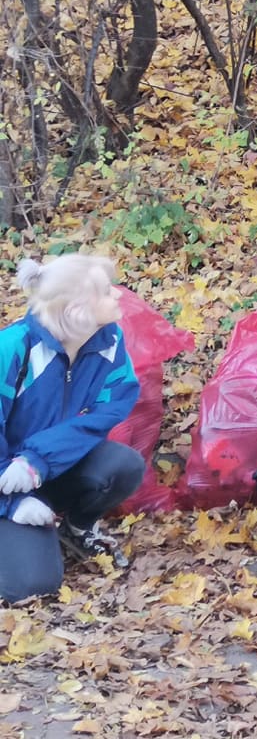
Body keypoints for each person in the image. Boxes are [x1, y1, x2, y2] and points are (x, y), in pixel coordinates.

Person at [0, 255, 144, 603]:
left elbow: (111, 407)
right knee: (31, 586)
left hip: (41, 472)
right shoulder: (13, 349)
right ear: (77, 309)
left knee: (123, 466)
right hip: (4, 482)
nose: (119, 296)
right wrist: (11, 502)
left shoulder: (108, 342)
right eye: (107, 292)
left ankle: (76, 529)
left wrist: (38, 460)